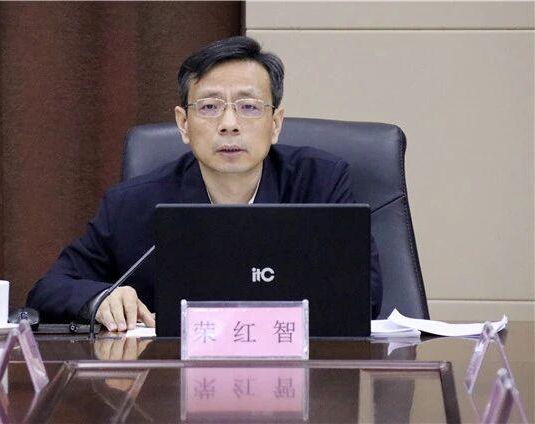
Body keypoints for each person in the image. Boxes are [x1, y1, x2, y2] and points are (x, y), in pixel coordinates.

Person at [27, 36, 382, 331]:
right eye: (210, 107)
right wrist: (102, 299)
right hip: (173, 381)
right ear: (183, 124)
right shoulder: (132, 205)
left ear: (275, 123)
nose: (229, 123)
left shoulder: (319, 184)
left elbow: (364, 295)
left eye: (248, 107)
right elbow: (49, 290)